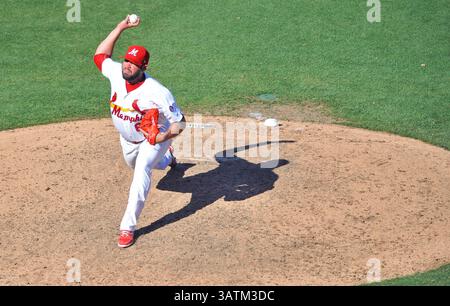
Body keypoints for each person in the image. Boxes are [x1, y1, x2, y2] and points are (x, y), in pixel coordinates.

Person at [93, 15, 186, 248]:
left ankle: (128, 227)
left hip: (154, 137)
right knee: (140, 165)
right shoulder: (116, 72)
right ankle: (167, 158)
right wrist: (120, 27)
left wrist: (162, 137)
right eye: (126, 60)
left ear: (143, 67)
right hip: (128, 140)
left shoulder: (158, 92)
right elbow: (100, 56)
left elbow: (181, 122)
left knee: (142, 169)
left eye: (133, 63)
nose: (127, 65)